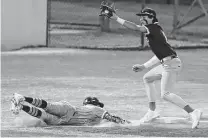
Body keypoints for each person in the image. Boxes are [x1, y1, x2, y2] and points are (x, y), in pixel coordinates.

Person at [106, 7, 202, 129]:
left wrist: (116, 18)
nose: (141, 19)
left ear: (151, 17)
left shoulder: (152, 28)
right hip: (168, 63)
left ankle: (193, 112)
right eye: (140, 17)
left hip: (171, 64)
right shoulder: (154, 29)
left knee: (165, 94)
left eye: (144, 16)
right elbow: (160, 55)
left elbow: (135, 28)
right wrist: (144, 66)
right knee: (147, 78)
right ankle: (152, 112)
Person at [11, 93, 130, 126]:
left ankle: (21, 105)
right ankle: (21, 98)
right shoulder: (97, 109)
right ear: (96, 103)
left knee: (44, 114)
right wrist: (125, 122)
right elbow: (111, 118)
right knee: (47, 109)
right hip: (69, 111)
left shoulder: (94, 116)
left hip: (65, 120)